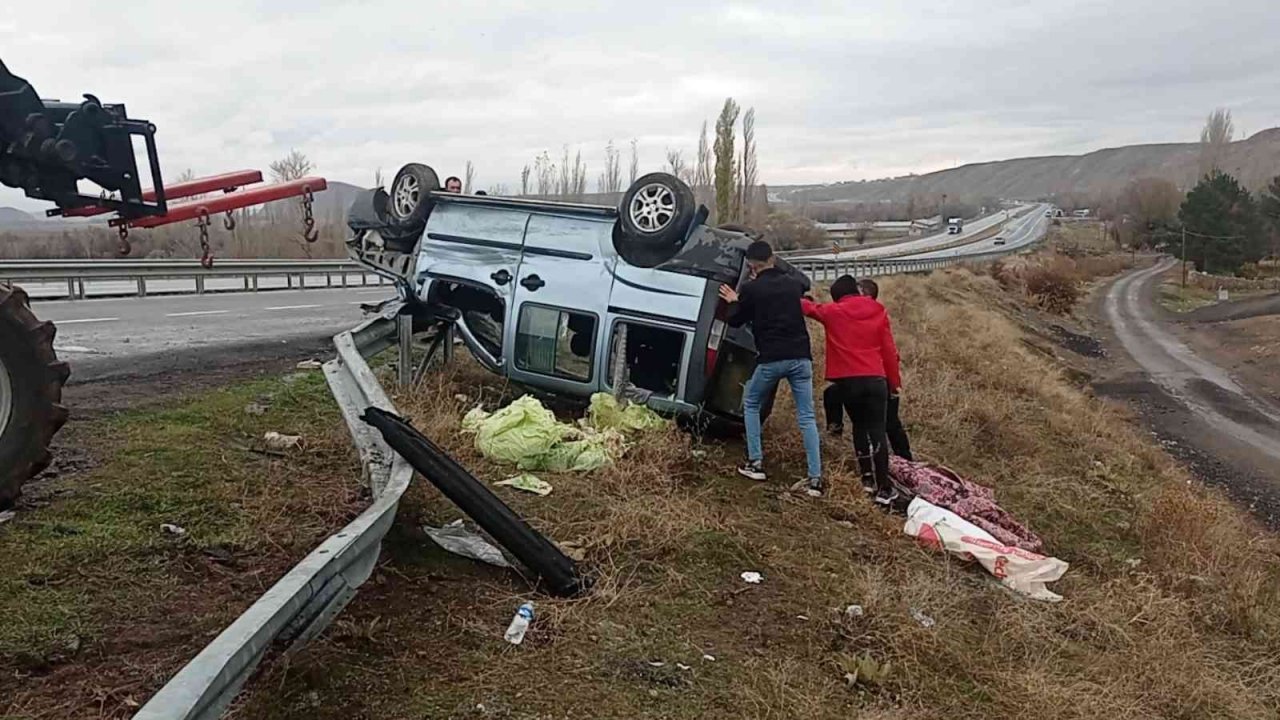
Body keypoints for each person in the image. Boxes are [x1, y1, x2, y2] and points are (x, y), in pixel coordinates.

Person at [719, 240, 823, 497]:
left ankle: (755, 463)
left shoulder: (752, 289)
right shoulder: (792, 285)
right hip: (801, 358)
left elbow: (735, 320)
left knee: (752, 403)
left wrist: (735, 300)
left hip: (772, 358)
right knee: (807, 417)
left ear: (752, 266)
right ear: (773, 259)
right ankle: (815, 479)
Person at [801, 274, 902, 504]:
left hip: (848, 381)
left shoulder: (833, 312)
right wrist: (894, 383)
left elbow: (809, 308)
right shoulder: (878, 310)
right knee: (877, 430)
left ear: (837, 297)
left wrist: (800, 298)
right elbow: (888, 350)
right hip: (876, 379)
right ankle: (884, 488)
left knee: (859, 427)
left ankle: (866, 478)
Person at [824, 278, 913, 461]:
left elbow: (889, 353)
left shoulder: (870, 314)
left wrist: (894, 384)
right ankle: (900, 461)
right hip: (875, 377)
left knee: (883, 424)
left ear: (866, 295)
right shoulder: (872, 313)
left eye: (858, 291)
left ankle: (902, 460)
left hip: (875, 376)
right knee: (884, 423)